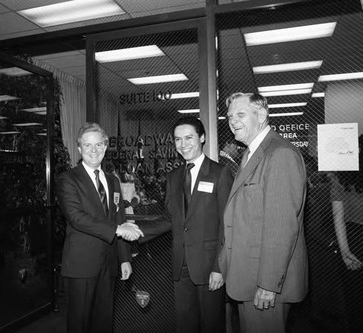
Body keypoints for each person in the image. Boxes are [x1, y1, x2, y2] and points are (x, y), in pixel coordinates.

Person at [219, 92, 307, 333]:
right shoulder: (250, 154)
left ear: (262, 115)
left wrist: (268, 284)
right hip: (249, 276)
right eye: (229, 116)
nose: (232, 121)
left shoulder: (280, 154)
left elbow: (281, 226)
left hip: (265, 284)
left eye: (240, 114)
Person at [139, 116, 233, 333]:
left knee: (211, 325)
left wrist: (219, 267)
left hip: (209, 266)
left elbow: (227, 224)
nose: (183, 145)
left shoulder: (220, 173)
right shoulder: (173, 176)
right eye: (178, 139)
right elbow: (170, 218)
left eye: (189, 138)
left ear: (202, 138)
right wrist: (137, 232)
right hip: (180, 265)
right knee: (185, 324)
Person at [56, 122, 143, 333]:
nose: (93, 150)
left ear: (105, 147)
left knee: (104, 322)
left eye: (98, 145)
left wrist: (124, 258)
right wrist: (117, 230)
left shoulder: (113, 181)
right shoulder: (68, 179)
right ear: (79, 149)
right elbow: (77, 218)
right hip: (81, 265)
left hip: (109, 263)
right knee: (80, 324)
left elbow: (119, 217)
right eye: (87, 145)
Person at [331, 134, 363, 332]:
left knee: (355, 300)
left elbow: (338, 216)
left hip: (353, 238)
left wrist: (345, 252)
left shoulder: (340, 176)